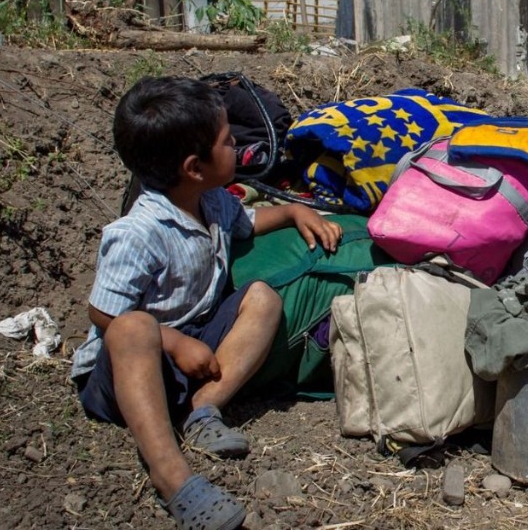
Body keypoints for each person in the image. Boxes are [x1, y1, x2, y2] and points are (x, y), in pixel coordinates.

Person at [70, 76, 343, 530]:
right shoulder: (137, 233)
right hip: (129, 370)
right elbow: (103, 313)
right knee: (133, 327)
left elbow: (248, 223)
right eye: (228, 141)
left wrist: (296, 211)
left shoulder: (212, 200)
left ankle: (202, 409)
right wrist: (172, 343)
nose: (238, 145)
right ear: (194, 167)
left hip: (194, 343)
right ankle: (172, 476)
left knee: (263, 297)